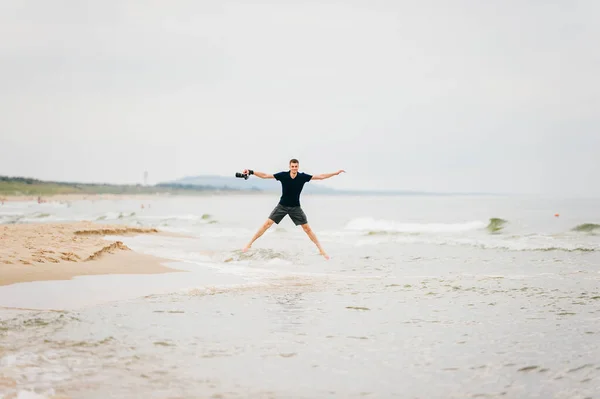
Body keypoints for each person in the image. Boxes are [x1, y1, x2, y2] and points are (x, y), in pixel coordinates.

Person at [240, 158, 345, 259]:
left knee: (307, 229)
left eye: (296, 166)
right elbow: (265, 176)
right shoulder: (283, 175)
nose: (294, 168)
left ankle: (321, 250)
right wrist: (251, 171)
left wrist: (335, 173)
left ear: (298, 167)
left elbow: (321, 176)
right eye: (292, 166)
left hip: (296, 207)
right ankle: (249, 244)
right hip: (282, 206)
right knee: (266, 224)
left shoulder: (302, 177)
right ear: (289, 167)